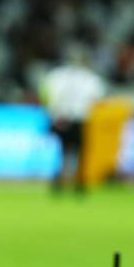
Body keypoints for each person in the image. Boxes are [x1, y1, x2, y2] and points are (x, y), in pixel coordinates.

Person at [40, 43, 106, 191]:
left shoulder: (55, 75)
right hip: (79, 119)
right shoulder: (91, 78)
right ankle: (79, 182)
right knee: (80, 152)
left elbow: (45, 95)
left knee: (62, 151)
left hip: (59, 118)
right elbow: (97, 100)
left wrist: (53, 111)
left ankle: (59, 180)